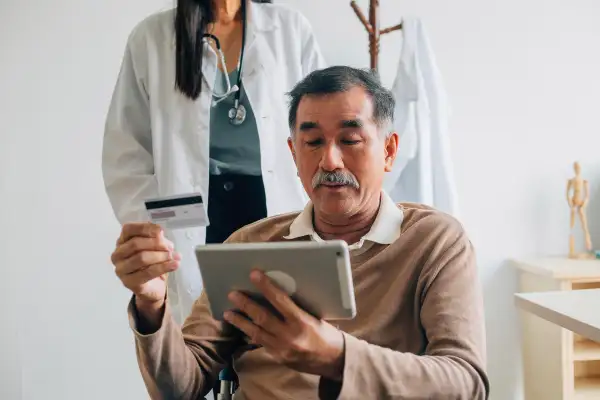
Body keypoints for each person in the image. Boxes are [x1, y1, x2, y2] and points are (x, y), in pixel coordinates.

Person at [111, 66, 490, 399]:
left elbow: (465, 383)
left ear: (389, 151)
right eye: (312, 142)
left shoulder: (435, 241)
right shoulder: (250, 244)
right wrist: (151, 305)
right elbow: (178, 387)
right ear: (293, 154)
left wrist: (338, 357)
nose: (329, 160)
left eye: (350, 140)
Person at [102, 0, 326, 324]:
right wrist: (156, 232)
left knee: (278, 337)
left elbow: (322, 126)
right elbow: (126, 153)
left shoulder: (290, 29)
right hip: (197, 218)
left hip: (272, 209)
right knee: (203, 340)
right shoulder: (151, 38)